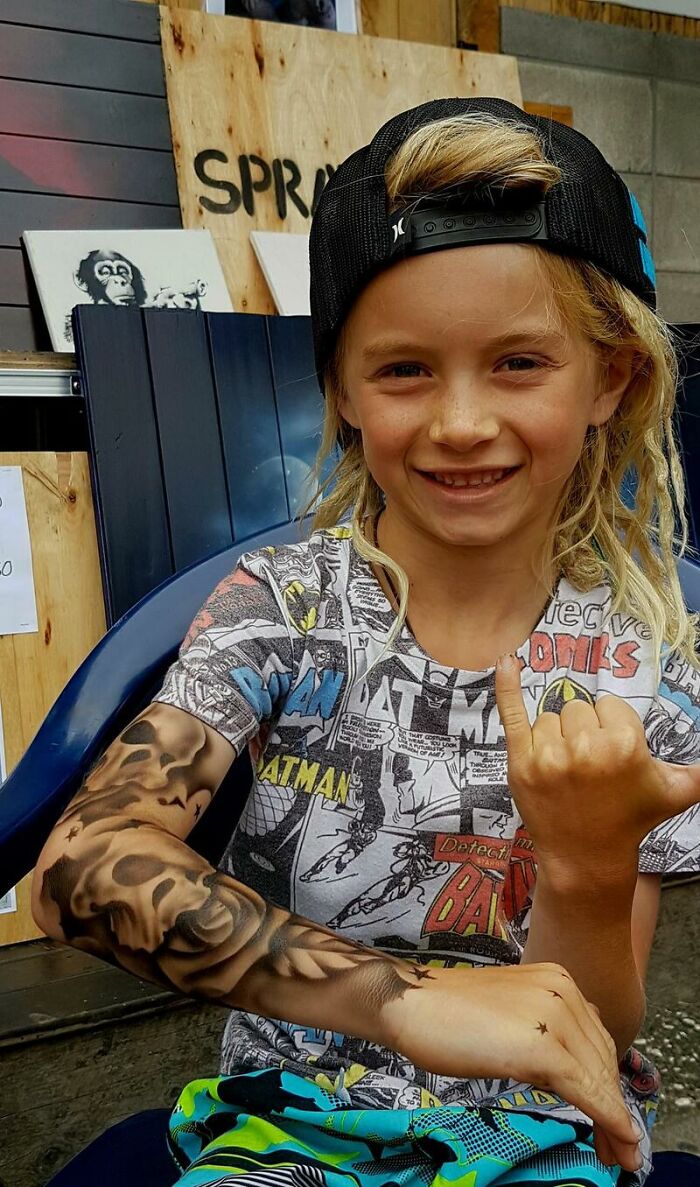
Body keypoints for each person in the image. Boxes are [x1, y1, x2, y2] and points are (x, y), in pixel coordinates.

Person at [32, 98, 700, 1187]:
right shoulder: (282, 606)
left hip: (540, 1134)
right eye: (403, 370)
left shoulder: (641, 665)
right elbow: (77, 872)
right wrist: (403, 1000)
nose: (460, 421)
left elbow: (597, 1011)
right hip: (280, 1125)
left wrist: (582, 865)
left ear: (610, 377)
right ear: (340, 390)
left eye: (520, 362)